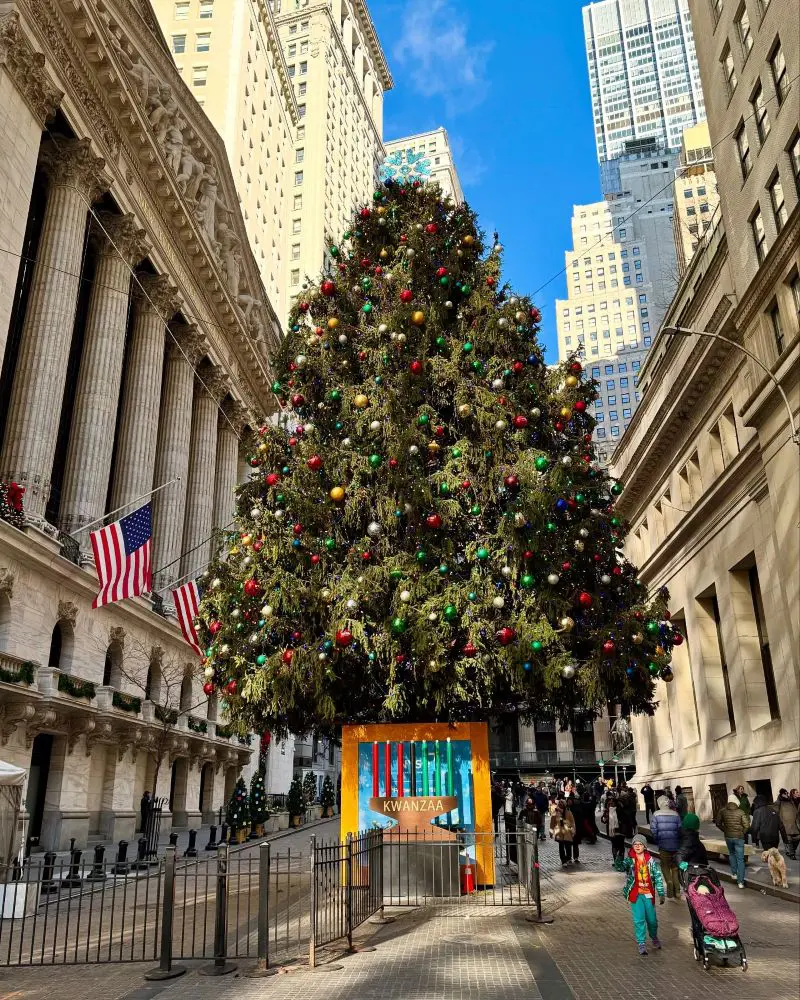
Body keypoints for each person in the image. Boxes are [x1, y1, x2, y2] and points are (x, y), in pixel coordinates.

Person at [623, 834, 666, 956]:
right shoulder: (629, 860)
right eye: (635, 844)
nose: (637, 846)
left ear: (645, 846)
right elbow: (621, 867)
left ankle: (654, 936)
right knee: (639, 920)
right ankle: (641, 943)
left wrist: (661, 893)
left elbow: (657, 877)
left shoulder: (650, 861)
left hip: (648, 894)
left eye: (640, 844)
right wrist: (619, 859)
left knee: (652, 920)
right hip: (636, 895)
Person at [650, 795, 682, 899]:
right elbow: (680, 830)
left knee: (665, 866)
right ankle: (677, 891)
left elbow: (653, 830)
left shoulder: (656, 814)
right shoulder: (675, 814)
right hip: (675, 845)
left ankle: (669, 882)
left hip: (663, 845)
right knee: (675, 868)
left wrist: (657, 840)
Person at [715, 792, 750, 888]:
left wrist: (725, 830)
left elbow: (718, 823)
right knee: (740, 859)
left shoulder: (722, 811)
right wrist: (742, 832)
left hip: (728, 837)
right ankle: (741, 882)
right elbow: (747, 825)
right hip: (739, 837)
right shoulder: (741, 812)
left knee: (731, 854)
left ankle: (734, 873)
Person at [550, 800, 576, 866]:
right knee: (561, 847)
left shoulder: (568, 812)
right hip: (559, 832)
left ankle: (568, 858)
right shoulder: (555, 813)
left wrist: (573, 830)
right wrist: (551, 832)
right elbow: (552, 823)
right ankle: (563, 860)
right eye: (560, 804)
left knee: (568, 846)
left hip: (567, 832)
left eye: (562, 804)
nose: (560, 806)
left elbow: (572, 822)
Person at [775, 789, 799, 860]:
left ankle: (792, 851)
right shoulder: (778, 802)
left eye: (787, 793)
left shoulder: (790, 801)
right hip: (785, 824)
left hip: (793, 823)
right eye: (785, 793)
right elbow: (776, 812)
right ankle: (792, 854)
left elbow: (795, 810)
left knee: (797, 838)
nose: (786, 794)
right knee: (789, 840)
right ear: (781, 794)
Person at [504, 783, 518, 863]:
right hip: (507, 805)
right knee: (507, 809)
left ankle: (511, 858)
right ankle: (509, 858)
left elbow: (508, 798)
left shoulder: (511, 794)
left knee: (508, 810)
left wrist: (505, 796)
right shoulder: (509, 793)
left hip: (509, 805)